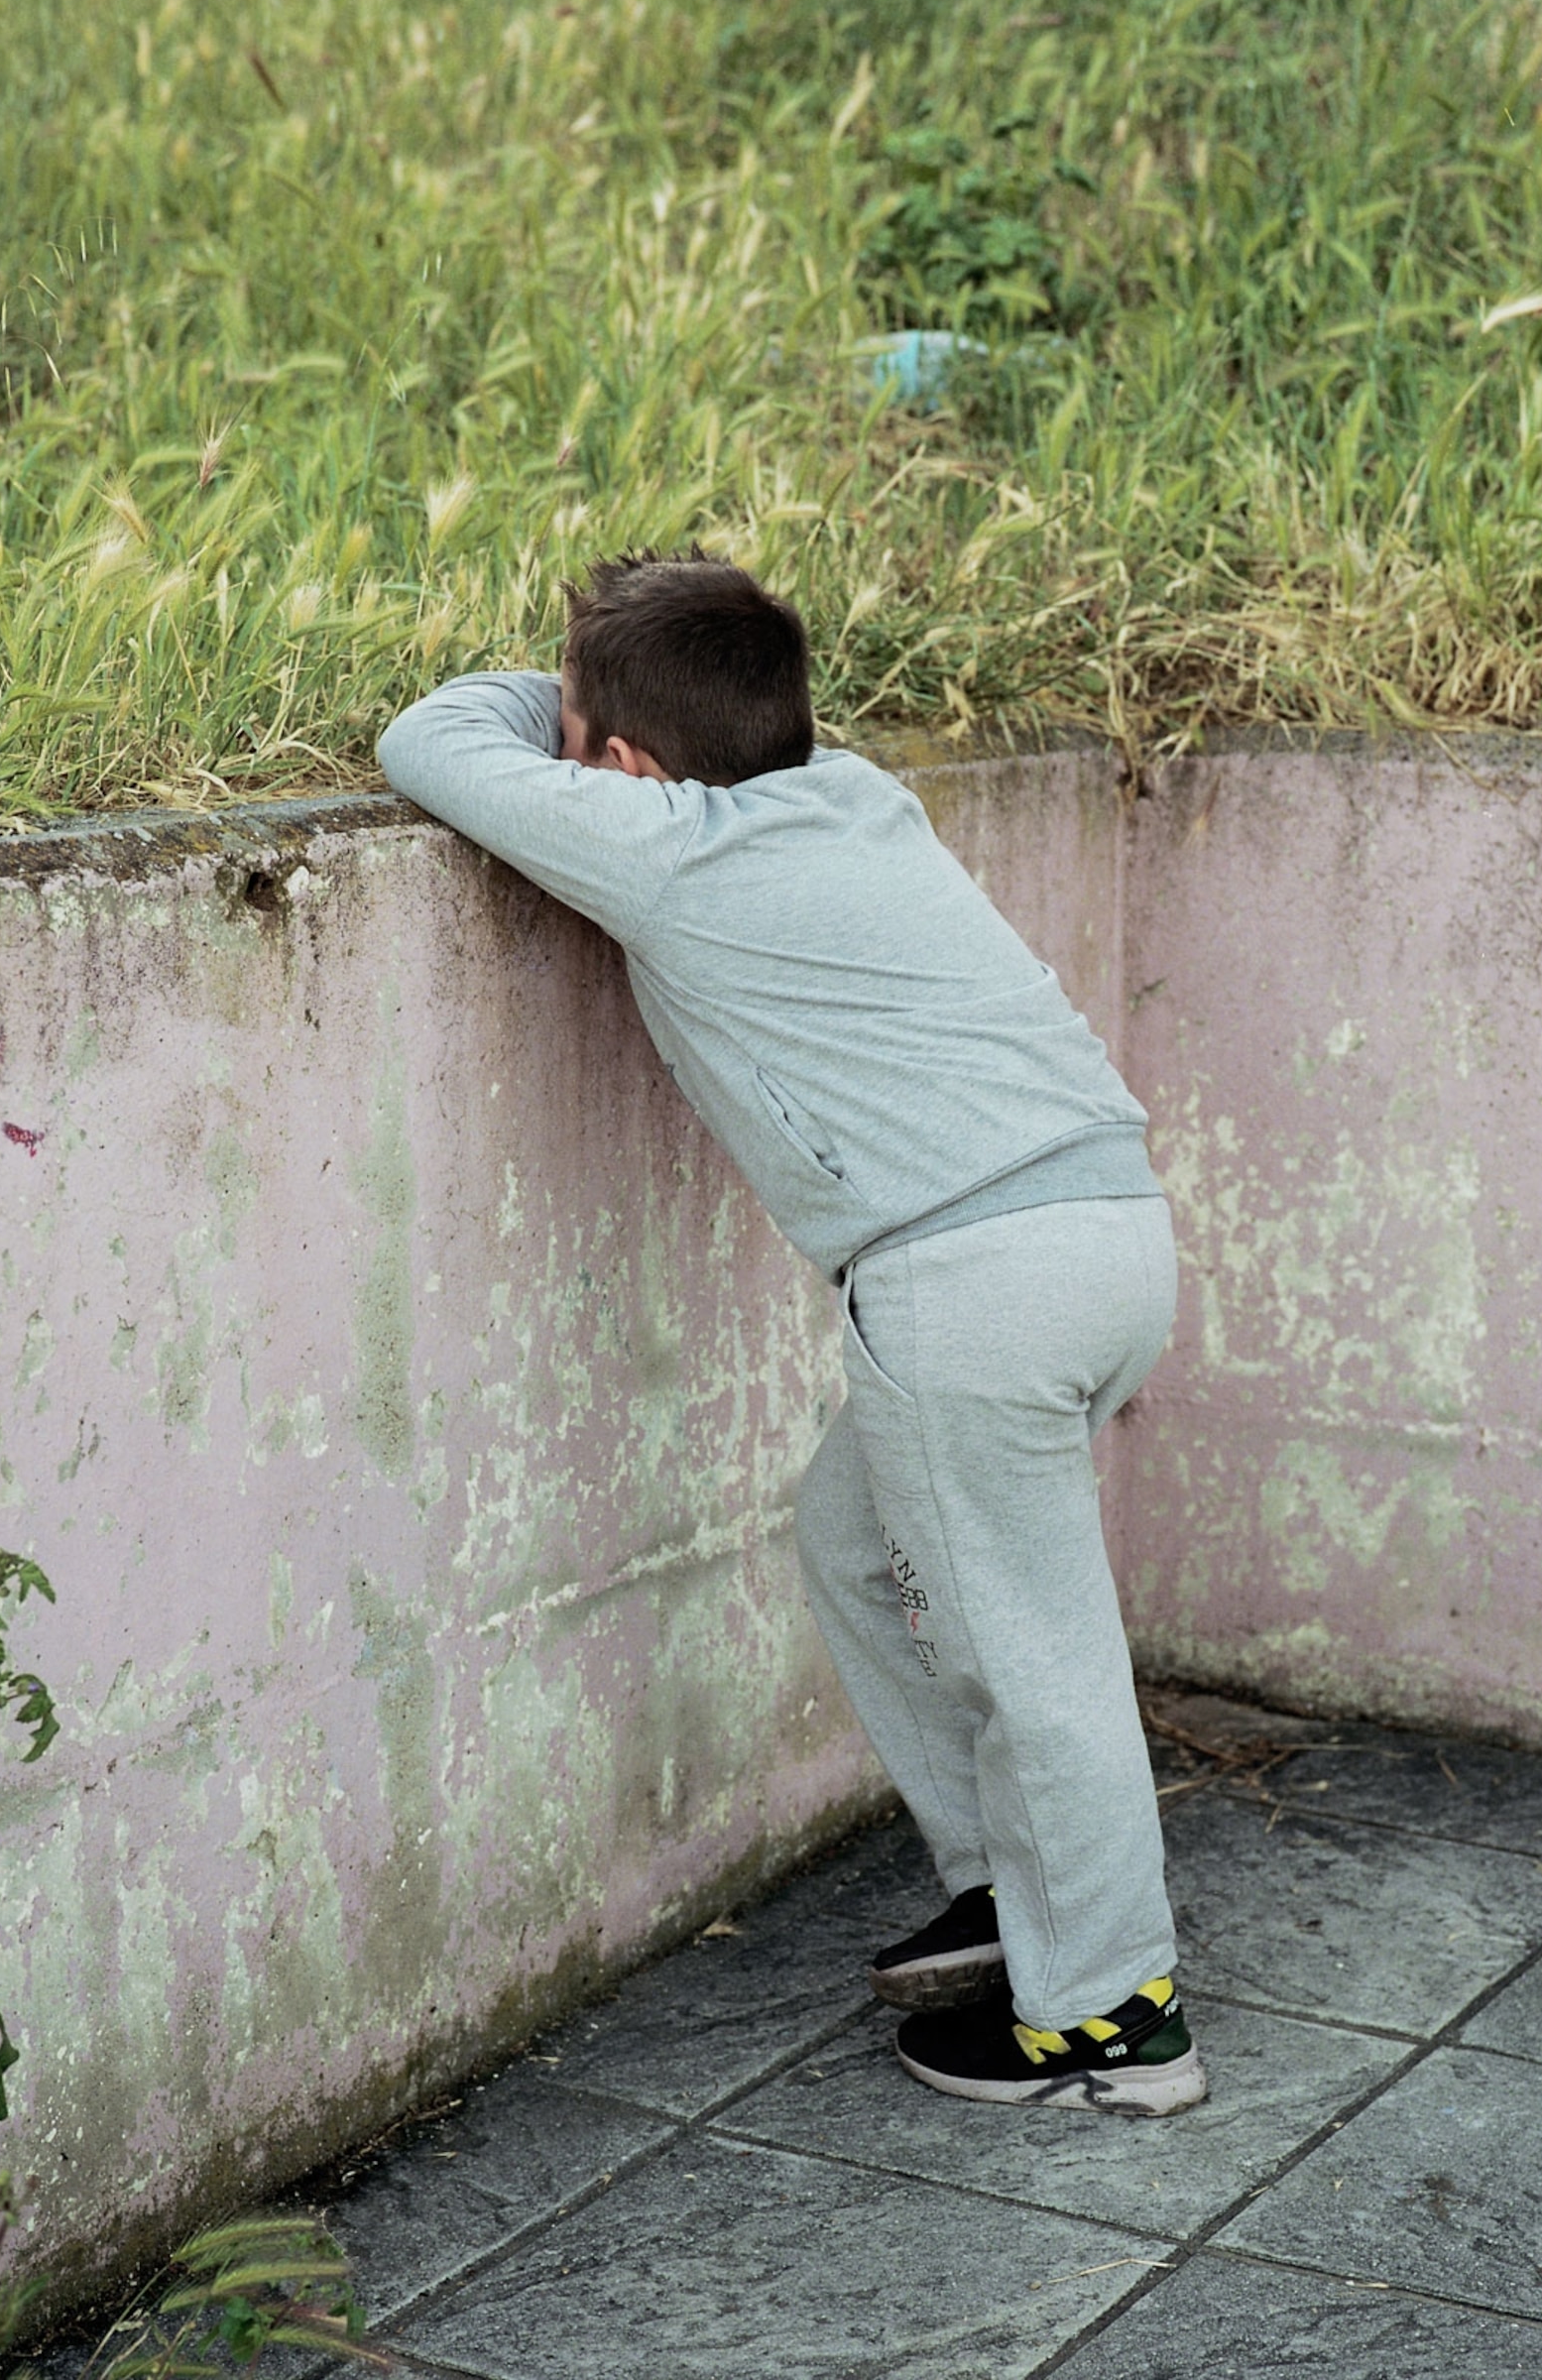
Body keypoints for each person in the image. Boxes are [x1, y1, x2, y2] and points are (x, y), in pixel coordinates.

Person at [377, 551, 1199, 2115]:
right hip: (1108, 1237)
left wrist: (559, 696)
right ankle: (1009, 1901)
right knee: (849, 1536)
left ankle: (1110, 2016)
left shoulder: (658, 845)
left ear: (619, 764)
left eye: (577, 730)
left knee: (1037, 1655)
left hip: (973, 1292)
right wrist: (608, 689)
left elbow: (426, 743)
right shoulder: (859, 791)